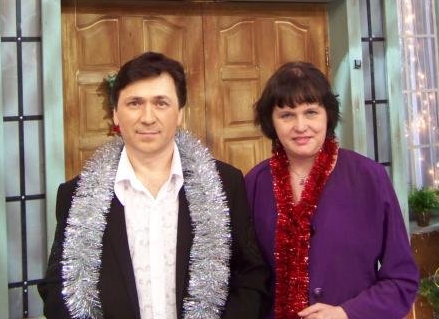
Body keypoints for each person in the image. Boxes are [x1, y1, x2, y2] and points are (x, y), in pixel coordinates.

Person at [39, 51, 269, 319]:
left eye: (161, 103)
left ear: (180, 113)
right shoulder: (77, 196)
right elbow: (58, 288)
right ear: (115, 114)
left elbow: (250, 276)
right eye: (134, 103)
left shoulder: (224, 184)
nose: (148, 117)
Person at [245, 61, 419, 319]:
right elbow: (245, 278)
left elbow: (402, 279)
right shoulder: (254, 183)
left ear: (328, 115)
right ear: (271, 121)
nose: (300, 126)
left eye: (311, 112)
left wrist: (346, 313)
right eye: (287, 115)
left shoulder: (370, 178)